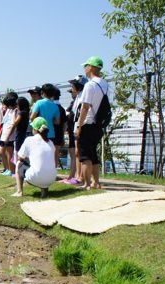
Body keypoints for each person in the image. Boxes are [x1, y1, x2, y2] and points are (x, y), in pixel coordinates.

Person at [76, 56, 108, 190]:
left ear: (91, 67)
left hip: (88, 123)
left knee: (85, 156)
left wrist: (79, 125)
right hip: (99, 124)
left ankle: (86, 184)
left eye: (86, 66)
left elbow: (85, 107)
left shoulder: (89, 85)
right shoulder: (104, 84)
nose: (85, 69)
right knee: (93, 155)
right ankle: (96, 182)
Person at [13, 117, 57, 197]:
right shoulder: (50, 142)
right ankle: (44, 191)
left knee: (19, 163)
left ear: (35, 129)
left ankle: (19, 191)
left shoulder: (29, 140)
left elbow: (20, 157)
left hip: (35, 177)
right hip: (52, 178)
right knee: (44, 164)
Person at [63, 76, 86, 184]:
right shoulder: (78, 98)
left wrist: (78, 127)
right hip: (76, 127)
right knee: (77, 152)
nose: (72, 88)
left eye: (73, 86)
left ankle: (80, 177)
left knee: (79, 152)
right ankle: (77, 176)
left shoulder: (82, 97)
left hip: (80, 127)